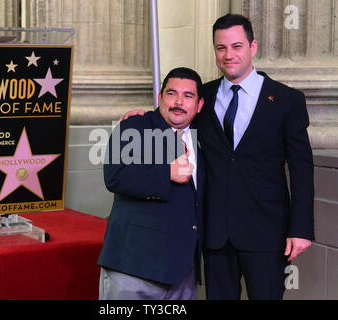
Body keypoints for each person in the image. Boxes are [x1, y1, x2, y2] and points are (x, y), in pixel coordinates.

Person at [119, 14, 314, 300]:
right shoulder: (203, 97)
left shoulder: (286, 100)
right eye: (221, 48)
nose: (228, 55)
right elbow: (174, 116)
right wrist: (143, 119)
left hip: (266, 232)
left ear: (253, 47)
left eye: (237, 46)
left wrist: (301, 229)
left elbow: (301, 168)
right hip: (215, 232)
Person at [97, 67, 206, 300]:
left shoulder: (205, 138)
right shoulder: (136, 127)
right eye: (171, 93)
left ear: (199, 105)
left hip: (182, 273)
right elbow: (116, 175)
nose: (178, 102)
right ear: (159, 98)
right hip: (133, 267)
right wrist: (167, 172)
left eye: (188, 96)